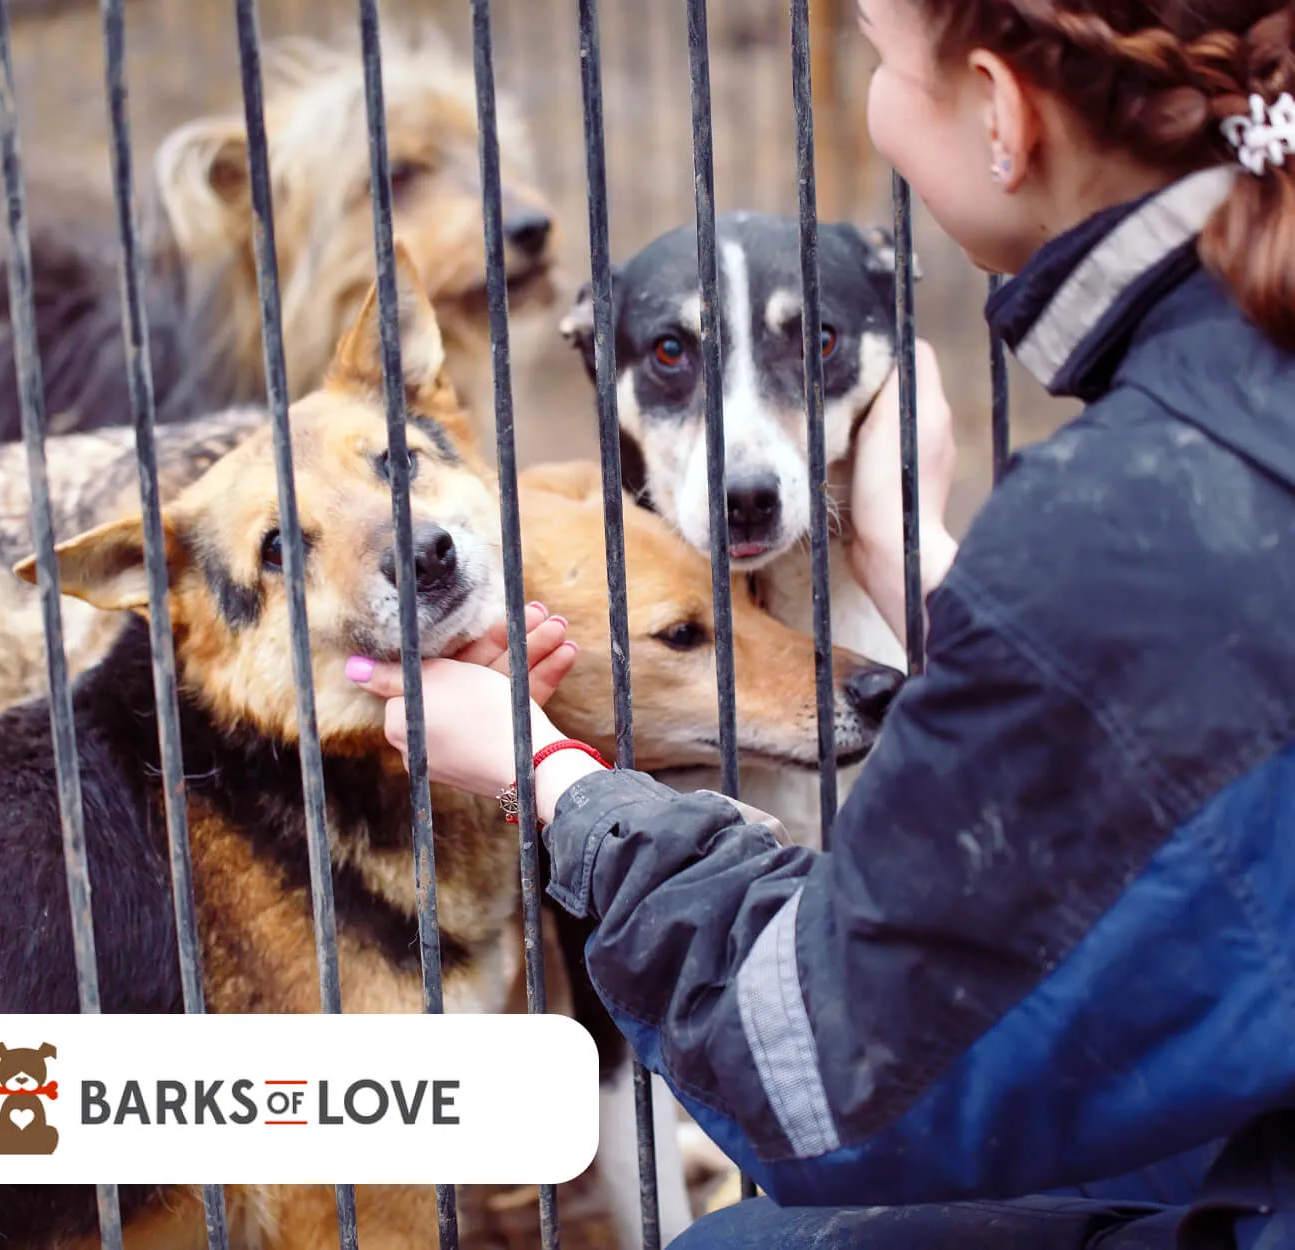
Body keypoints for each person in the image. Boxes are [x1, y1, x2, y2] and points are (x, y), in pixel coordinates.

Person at [347, 0, 1295, 1244]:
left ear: (1002, 116)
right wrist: (914, 553)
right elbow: (1143, 760)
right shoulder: (1223, 397)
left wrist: (548, 775)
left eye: (881, 60)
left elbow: (819, 1078)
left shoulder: (1119, 509)